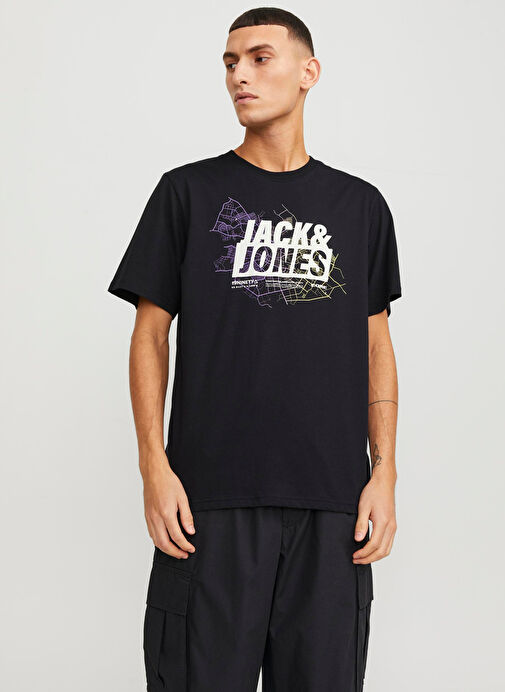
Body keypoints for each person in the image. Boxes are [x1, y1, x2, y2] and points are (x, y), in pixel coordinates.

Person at [107, 7, 402, 691]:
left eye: (260, 58)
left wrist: (384, 471)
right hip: (208, 502)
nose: (239, 75)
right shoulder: (187, 193)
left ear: (308, 72)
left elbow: (376, 342)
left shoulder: (359, 206)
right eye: (230, 62)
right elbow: (149, 333)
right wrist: (153, 465)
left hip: (331, 506)